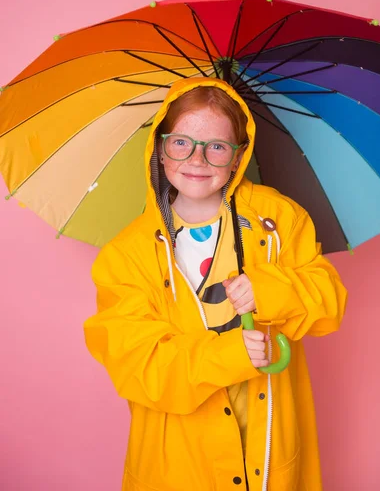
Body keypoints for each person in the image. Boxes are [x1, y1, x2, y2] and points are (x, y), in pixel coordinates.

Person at [84, 77, 347, 491]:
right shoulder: (126, 255)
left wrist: (272, 289)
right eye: (181, 143)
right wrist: (229, 354)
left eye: (217, 147)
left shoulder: (277, 220)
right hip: (180, 462)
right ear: (159, 147)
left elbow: (329, 300)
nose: (197, 159)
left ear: (239, 155)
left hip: (268, 444)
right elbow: (138, 363)